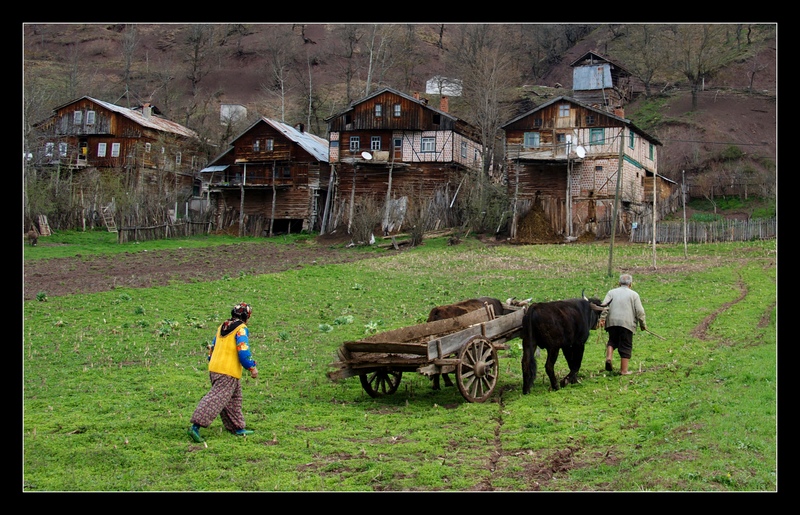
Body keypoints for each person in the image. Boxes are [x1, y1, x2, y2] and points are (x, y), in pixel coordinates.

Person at [188, 302, 258, 442]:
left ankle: (237, 427)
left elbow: (213, 347)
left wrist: (212, 361)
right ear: (246, 317)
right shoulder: (241, 329)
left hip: (215, 368)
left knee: (233, 399)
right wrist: (251, 366)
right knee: (216, 399)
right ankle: (195, 426)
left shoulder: (222, 326)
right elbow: (243, 350)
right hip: (227, 371)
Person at [599, 274, 646, 375]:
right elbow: (640, 311)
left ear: (619, 283)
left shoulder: (611, 292)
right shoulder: (634, 295)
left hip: (612, 322)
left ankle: (609, 358)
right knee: (625, 345)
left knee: (612, 340)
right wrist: (642, 324)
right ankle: (624, 371)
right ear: (630, 284)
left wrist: (602, 319)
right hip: (627, 324)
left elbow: (604, 306)